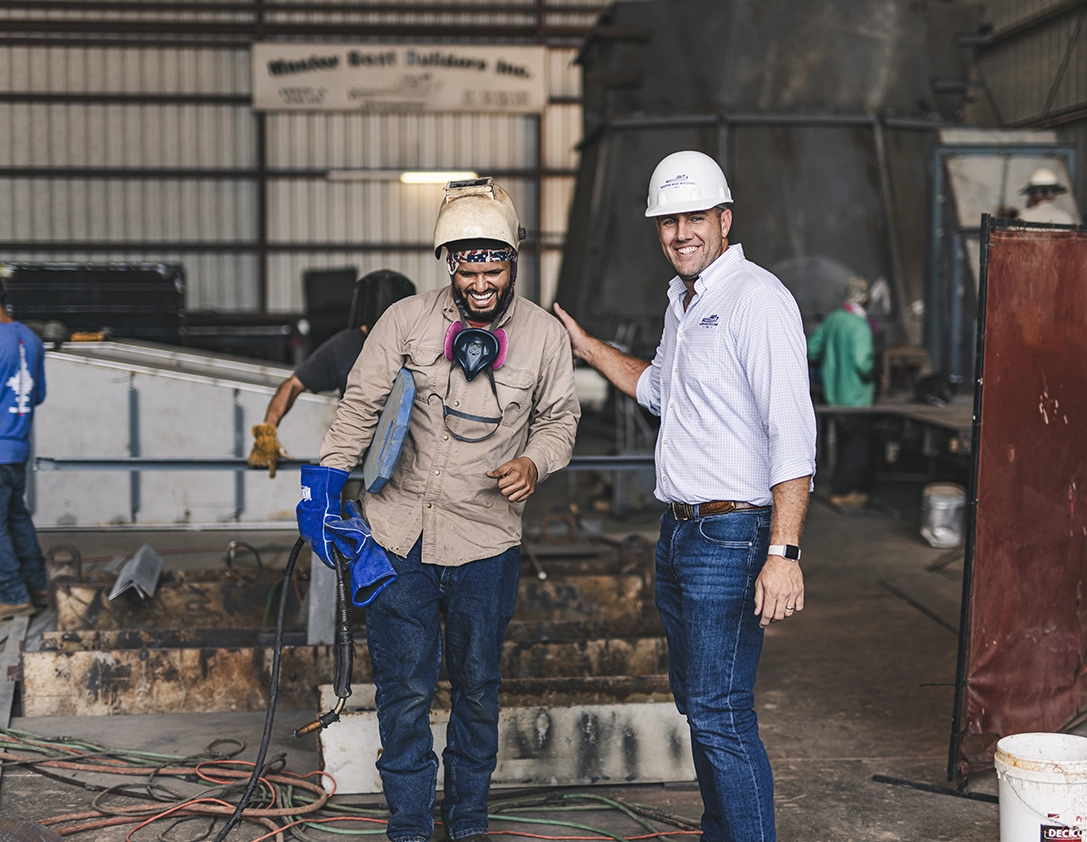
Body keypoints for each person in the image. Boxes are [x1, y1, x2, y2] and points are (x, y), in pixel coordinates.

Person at [297, 178, 579, 842]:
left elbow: (560, 422)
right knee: (402, 697)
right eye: (466, 265)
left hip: (485, 544)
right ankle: (408, 829)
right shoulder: (404, 321)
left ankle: (469, 824)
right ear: (447, 262)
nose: (479, 280)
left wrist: (533, 464)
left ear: (514, 259)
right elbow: (359, 408)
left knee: (478, 691)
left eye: (493, 264)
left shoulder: (542, 338)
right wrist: (322, 485)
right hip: (397, 539)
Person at [553, 150, 816, 842]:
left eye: (694, 217)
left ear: (723, 219)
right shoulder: (683, 300)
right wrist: (587, 348)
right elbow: (659, 392)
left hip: (730, 535)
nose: (679, 233)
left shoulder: (756, 300)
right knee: (699, 706)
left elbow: (791, 434)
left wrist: (783, 552)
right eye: (667, 221)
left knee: (720, 712)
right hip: (680, 533)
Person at [248, 269, 416, 477]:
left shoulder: (417, 346)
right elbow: (293, 385)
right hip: (357, 465)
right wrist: (268, 430)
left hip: (410, 464)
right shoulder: (342, 346)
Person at [0, 271, 48, 620]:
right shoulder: (30, 339)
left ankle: (13, 595)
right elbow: (38, 395)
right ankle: (39, 585)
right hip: (17, 446)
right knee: (17, 517)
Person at [807, 276, 875, 509]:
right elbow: (863, 363)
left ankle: (840, 485)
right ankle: (844, 491)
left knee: (843, 442)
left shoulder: (832, 319)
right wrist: (873, 372)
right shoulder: (859, 325)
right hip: (856, 398)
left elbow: (811, 350)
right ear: (865, 298)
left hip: (833, 395)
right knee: (855, 445)